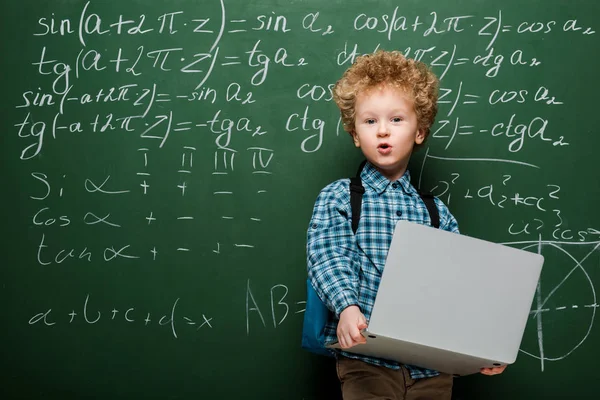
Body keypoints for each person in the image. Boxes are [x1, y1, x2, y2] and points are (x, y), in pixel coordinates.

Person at [306, 50, 506, 400]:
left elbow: (459, 288)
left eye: (396, 119)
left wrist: (483, 346)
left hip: (431, 367)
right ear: (355, 134)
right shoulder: (340, 197)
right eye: (370, 122)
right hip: (367, 357)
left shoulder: (436, 213)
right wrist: (346, 307)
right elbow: (327, 255)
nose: (383, 130)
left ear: (419, 131)